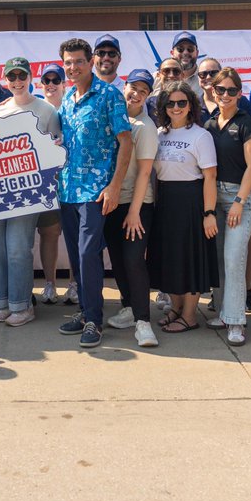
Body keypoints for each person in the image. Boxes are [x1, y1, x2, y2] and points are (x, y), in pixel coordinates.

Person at [55, 37, 133, 349]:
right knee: (76, 255)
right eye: (68, 62)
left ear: (90, 63)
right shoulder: (67, 99)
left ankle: (94, 321)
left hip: (95, 191)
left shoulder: (109, 95)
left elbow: (125, 142)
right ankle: (85, 310)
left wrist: (114, 186)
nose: (73, 67)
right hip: (68, 188)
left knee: (89, 253)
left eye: (78, 61)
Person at [0, 57, 61, 327]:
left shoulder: (47, 110)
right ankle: (4, 303)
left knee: (17, 247)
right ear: (5, 80)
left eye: (22, 76)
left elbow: (57, 150)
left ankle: (23, 305)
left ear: (30, 78)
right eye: (12, 77)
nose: (17, 81)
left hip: (28, 192)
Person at [149, 82, 217, 334]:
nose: (176, 108)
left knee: (189, 259)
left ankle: (189, 315)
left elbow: (210, 177)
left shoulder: (200, 135)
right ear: (163, 107)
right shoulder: (159, 134)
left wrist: (209, 214)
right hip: (165, 198)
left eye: (182, 103)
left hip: (191, 199)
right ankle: (176, 309)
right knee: (170, 258)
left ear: (191, 105)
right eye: (170, 103)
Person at [102, 69, 160, 347]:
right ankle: (128, 306)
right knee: (118, 260)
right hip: (112, 201)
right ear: (123, 87)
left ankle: (143, 321)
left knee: (134, 260)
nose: (135, 93)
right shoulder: (115, 118)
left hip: (136, 205)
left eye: (143, 90)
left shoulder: (145, 127)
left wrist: (135, 211)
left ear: (148, 96)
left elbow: (144, 174)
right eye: (132, 87)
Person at [204, 68, 251, 345]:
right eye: (220, 90)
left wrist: (239, 201)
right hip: (215, 197)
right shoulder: (209, 125)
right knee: (219, 260)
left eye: (231, 90)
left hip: (241, 198)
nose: (225, 95)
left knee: (234, 259)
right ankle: (224, 313)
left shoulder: (248, 123)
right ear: (213, 91)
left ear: (240, 93)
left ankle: (237, 321)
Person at [34, 63, 67, 303]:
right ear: (41, 84)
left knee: (77, 237)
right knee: (49, 233)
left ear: (64, 84)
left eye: (56, 80)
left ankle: (76, 284)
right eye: (47, 80)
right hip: (46, 184)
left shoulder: (73, 107)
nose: (51, 85)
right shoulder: (35, 109)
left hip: (74, 181)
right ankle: (50, 284)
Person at [171, 32, 201, 98]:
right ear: (172, 53)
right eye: (180, 49)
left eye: (190, 49)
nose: (185, 52)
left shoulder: (206, 78)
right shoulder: (158, 78)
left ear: (197, 53)